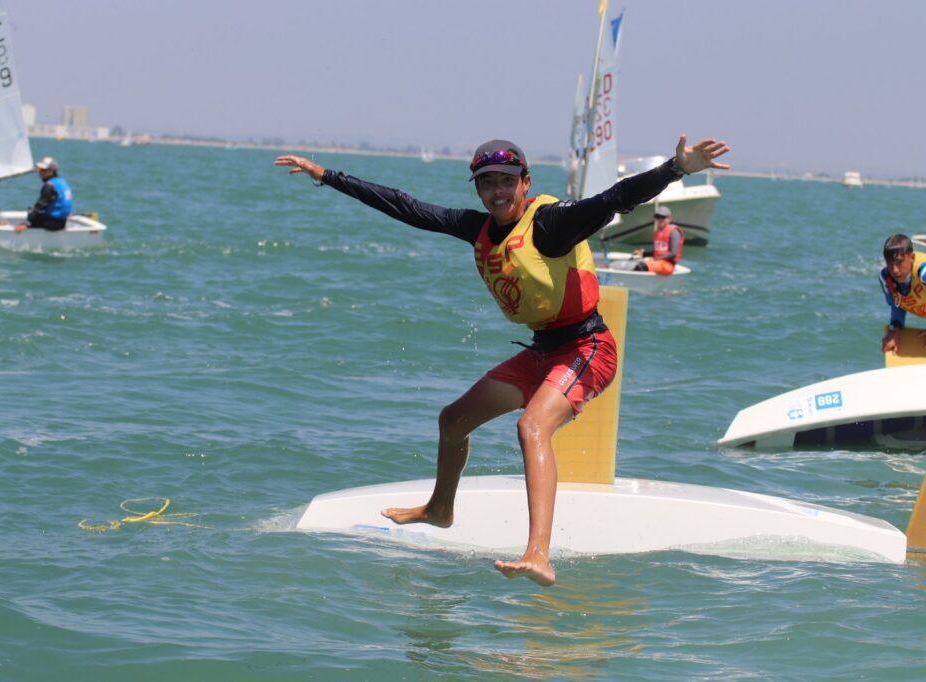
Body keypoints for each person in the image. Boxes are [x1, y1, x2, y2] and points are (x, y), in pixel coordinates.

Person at [275, 134, 729, 586]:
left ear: (525, 183)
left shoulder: (550, 224)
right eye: (486, 182)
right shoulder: (478, 229)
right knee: (453, 420)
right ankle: (439, 509)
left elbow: (616, 197)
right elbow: (406, 207)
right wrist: (326, 176)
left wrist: (677, 168)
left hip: (589, 349)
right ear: (477, 188)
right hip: (543, 351)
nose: (497, 191)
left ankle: (538, 553)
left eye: (506, 182)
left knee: (532, 427)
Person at [879, 233, 926, 352]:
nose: (894, 270)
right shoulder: (886, 278)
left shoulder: (924, 273)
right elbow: (898, 304)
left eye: (899, 262)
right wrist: (895, 329)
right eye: (890, 263)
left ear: (912, 257)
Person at [14, 156, 73, 233]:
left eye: (44, 170)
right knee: (35, 212)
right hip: (62, 221)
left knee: (32, 212)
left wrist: (27, 223)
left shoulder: (49, 186)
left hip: (52, 224)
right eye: (40, 169)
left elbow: (40, 206)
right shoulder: (62, 182)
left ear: (52, 171)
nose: (40, 172)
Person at [628, 205, 684, 275]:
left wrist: (654, 259)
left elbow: (673, 254)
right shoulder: (658, 232)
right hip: (658, 262)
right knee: (633, 262)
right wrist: (643, 254)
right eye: (657, 217)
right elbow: (657, 252)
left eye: (663, 217)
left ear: (669, 219)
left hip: (668, 265)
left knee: (641, 266)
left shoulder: (674, 232)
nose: (660, 219)